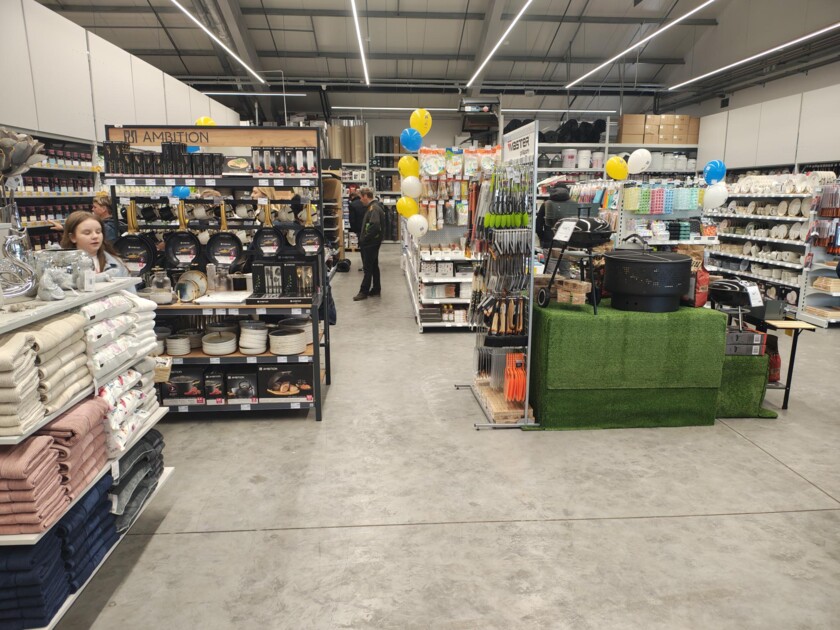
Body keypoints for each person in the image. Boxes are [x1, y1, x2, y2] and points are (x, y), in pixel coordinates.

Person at [60, 211, 130, 280]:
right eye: (87, 233)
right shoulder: (61, 267)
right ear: (73, 237)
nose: (95, 236)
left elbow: (129, 286)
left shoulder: (116, 263)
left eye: (98, 232)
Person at [354, 188, 386, 301]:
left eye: (361, 197)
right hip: (373, 242)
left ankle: (363, 291)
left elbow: (375, 225)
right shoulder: (375, 206)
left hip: (370, 243)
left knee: (367, 268)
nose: (360, 200)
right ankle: (376, 289)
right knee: (373, 266)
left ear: (366, 196)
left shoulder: (373, 208)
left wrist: (365, 238)